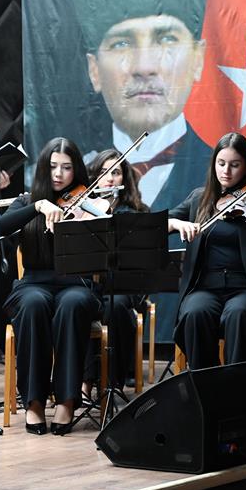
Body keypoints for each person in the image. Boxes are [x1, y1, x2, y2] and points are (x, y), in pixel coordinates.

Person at [73, 0, 210, 212]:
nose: (144, 67)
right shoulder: (77, 176)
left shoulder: (217, 171)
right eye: (121, 44)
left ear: (198, 60)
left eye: (167, 39)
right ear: (94, 70)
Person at [0, 137, 103, 436]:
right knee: (33, 304)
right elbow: (1, 227)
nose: (59, 174)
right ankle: (34, 401)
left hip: (76, 284)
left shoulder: (89, 202)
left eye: (66, 168)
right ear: (43, 168)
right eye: (53, 166)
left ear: (76, 170)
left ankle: (67, 400)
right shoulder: (27, 201)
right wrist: (38, 207)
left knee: (72, 303)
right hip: (33, 283)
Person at [168, 132, 246, 369]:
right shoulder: (199, 199)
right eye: (221, 163)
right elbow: (162, 223)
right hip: (205, 287)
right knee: (195, 313)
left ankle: (236, 384)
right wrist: (178, 223)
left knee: (239, 314)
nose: (226, 171)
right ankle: (205, 382)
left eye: (235, 165)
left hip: (245, 288)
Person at [82, 149, 149, 396]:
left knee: (116, 305)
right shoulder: (83, 210)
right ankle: (85, 381)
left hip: (124, 287)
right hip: (91, 285)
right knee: (81, 302)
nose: (110, 178)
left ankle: (112, 383)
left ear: (124, 178)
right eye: (104, 172)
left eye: (116, 172)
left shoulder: (136, 214)